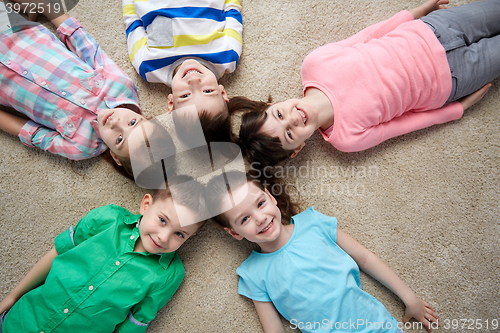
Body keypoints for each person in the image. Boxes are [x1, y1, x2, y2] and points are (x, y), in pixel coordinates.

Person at [233, 0, 499, 168]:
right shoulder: (346, 138)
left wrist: (414, 12)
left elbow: (368, 35)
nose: (292, 120)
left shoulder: (313, 64)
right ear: (297, 150)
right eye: (289, 135)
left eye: (279, 114)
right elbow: (405, 124)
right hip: (452, 80)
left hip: (433, 29)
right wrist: (458, 110)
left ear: (272, 104)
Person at [206, 171, 439, 333]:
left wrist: (410, 299)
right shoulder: (253, 274)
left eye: (260, 204)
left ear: (271, 197)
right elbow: (274, 329)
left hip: (376, 326)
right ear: (235, 233)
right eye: (244, 219)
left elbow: (365, 258)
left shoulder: (313, 223)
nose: (260, 219)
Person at [0, 175, 207, 333]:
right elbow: (57, 251)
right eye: (162, 220)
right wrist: (11, 297)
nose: (163, 237)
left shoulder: (169, 274)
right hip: (20, 320)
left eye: (179, 234)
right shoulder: (107, 218)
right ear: (146, 205)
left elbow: (136, 322)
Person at [0, 0, 149, 173]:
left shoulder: (80, 147)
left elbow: (31, 132)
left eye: (120, 139)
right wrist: (46, 7)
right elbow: (86, 46)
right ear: (144, 117)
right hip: (16, 34)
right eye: (132, 122)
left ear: (116, 157)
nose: (116, 123)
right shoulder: (122, 86)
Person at [123, 0, 243, 141]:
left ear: (171, 102)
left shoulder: (149, 66)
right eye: (208, 91)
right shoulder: (228, 57)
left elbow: (132, 23)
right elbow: (233, 11)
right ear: (222, 92)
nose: (194, 81)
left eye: (185, 95)